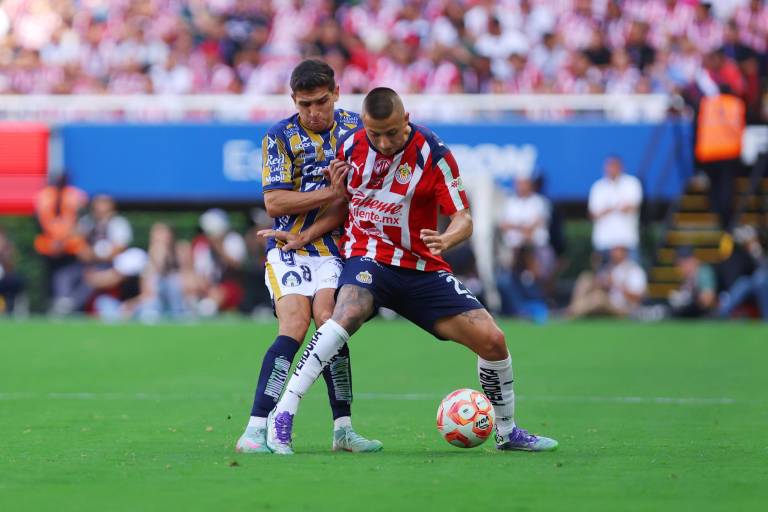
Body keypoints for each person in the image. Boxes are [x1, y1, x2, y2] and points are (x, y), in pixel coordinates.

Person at [265, 87, 558, 455]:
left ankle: (507, 430)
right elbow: (342, 204)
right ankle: (285, 412)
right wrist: (304, 235)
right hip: (369, 256)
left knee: (493, 340)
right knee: (347, 312)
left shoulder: (434, 154)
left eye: (392, 132)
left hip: (421, 267)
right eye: (375, 134)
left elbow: (463, 218)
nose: (384, 142)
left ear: (406, 119)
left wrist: (447, 240)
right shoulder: (350, 147)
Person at [235, 59, 381, 454]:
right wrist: (332, 193)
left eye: (320, 102)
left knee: (330, 321)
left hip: (333, 246)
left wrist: (311, 230)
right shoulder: (279, 136)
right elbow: (274, 200)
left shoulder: (356, 130)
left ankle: (343, 429)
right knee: (295, 325)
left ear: (336, 93)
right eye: (304, 105)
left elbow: (351, 200)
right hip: (286, 247)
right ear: (293, 101)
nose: (313, 112)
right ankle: (254, 428)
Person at [587, 156, 643, 264]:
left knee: (632, 275)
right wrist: (613, 208)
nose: (611, 169)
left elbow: (634, 206)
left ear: (621, 167)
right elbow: (592, 214)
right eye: (608, 166)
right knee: (602, 278)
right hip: (604, 242)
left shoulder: (632, 183)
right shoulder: (598, 187)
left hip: (627, 241)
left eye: (614, 166)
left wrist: (609, 209)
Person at [566, 246, 647, 318]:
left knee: (598, 297)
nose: (612, 253)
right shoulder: (610, 267)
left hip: (624, 308)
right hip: (608, 302)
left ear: (624, 252)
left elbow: (637, 298)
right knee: (586, 277)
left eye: (616, 250)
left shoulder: (634, 270)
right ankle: (572, 308)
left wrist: (615, 284)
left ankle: (571, 312)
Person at [668, 246, 717, 318]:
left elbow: (708, 300)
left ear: (692, 260)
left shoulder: (703, 272)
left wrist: (689, 300)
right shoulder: (687, 277)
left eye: (682, 264)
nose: (680, 268)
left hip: (707, 316)